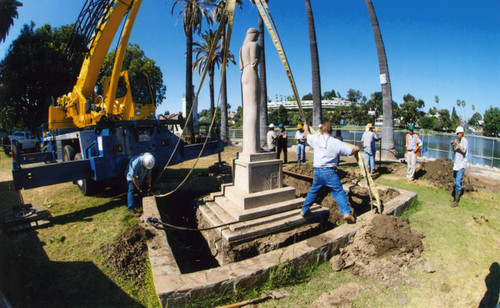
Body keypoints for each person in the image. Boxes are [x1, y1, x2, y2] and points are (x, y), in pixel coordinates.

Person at [300, 122, 360, 224]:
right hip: (330, 172)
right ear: (331, 132)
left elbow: (306, 136)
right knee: (338, 191)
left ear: (321, 131)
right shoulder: (336, 142)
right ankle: (346, 213)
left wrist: (306, 128)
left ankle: (304, 210)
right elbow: (350, 152)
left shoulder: (316, 139)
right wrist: (356, 149)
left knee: (314, 191)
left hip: (317, 172)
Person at [239, 28, 261, 154]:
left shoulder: (241, 48)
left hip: (244, 75)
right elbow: (255, 62)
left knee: (247, 110)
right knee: (253, 108)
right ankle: (254, 148)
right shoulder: (253, 45)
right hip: (252, 73)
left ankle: (248, 147)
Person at [450, 126, 468, 207]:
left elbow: (463, 150)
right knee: (455, 181)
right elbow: (455, 151)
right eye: (456, 134)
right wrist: (453, 145)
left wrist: (457, 143)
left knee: (458, 182)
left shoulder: (464, 141)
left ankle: (457, 201)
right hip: (456, 165)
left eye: (458, 134)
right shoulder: (459, 141)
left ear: (461, 133)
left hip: (461, 165)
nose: (457, 135)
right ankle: (455, 198)